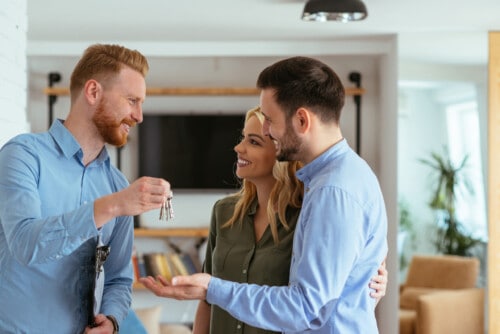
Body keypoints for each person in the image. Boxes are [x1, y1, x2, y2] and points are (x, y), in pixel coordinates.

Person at [140, 56, 388, 333]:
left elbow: (306, 308)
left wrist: (213, 288)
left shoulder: (332, 191)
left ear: (302, 120)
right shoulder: (338, 178)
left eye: (269, 121)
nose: (267, 129)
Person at [0, 44, 171, 334]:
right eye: (132, 100)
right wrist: (111, 206)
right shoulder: (23, 155)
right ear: (93, 92)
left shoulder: (117, 184)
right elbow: (26, 244)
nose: (139, 115)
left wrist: (113, 320)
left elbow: (118, 278)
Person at [190, 106, 387, 334]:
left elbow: (331, 294)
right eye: (243, 138)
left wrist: (370, 283)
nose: (238, 148)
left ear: (281, 153)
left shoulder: (311, 216)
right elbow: (207, 299)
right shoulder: (224, 212)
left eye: (253, 142)